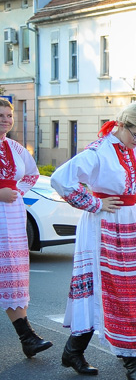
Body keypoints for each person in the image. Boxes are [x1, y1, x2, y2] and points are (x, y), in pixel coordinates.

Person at [51, 102, 136, 380]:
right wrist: (94, 203)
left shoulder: (128, 150)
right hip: (104, 224)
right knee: (111, 285)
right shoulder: (99, 150)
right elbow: (60, 179)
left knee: (120, 285)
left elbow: (130, 184)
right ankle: (129, 359)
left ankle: (74, 351)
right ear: (122, 126)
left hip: (127, 221)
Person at [0, 99, 51, 358]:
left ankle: (27, 337)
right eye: (1, 115)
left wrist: (16, 192)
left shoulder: (15, 147)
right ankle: (27, 336)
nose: (6, 119)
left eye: (9, 115)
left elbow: (31, 174)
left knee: (13, 274)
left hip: (12, 216)